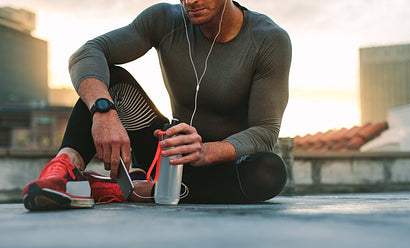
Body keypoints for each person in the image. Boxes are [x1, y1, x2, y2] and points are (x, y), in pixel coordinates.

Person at [23, 0, 292, 211]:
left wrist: (206, 152)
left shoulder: (269, 40)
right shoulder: (165, 19)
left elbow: (264, 131)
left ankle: (138, 190)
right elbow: (88, 52)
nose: (191, 1)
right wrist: (104, 111)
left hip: (221, 163)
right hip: (167, 153)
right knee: (109, 81)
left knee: (269, 171)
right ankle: (63, 171)